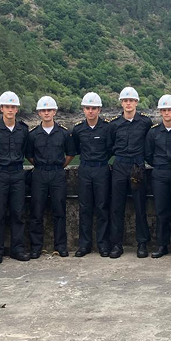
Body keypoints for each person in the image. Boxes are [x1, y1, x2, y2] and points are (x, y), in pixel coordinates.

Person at [107, 87, 153, 258]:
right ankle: (116, 245)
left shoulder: (145, 122)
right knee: (116, 207)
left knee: (140, 205)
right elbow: (110, 146)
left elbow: (149, 144)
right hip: (119, 165)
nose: (128, 103)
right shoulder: (114, 124)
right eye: (125, 100)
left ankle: (142, 244)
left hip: (137, 166)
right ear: (121, 103)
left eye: (131, 100)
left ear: (136, 102)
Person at [26, 96, 74, 259]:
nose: (46, 113)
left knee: (59, 210)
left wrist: (59, 166)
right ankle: (36, 247)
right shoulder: (32, 135)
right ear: (39, 113)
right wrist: (41, 165)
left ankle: (60, 246)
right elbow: (30, 155)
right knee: (36, 211)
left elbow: (70, 154)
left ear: (54, 112)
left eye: (49, 110)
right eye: (43, 110)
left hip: (57, 173)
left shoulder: (63, 133)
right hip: (39, 173)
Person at [0, 91, 30, 264]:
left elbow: (25, 151)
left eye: (13, 107)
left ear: (17, 109)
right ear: (1, 108)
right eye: (7, 107)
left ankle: (17, 249)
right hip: (0, 173)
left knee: (18, 212)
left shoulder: (23, 130)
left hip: (18, 173)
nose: (10, 110)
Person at [146, 94, 171, 259]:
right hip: (160, 174)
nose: (166, 113)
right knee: (161, 211)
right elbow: (148, 155)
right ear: (160, 112)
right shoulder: (153, 133)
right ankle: (161, 245)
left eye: (169, 109)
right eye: (163, 110)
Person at [72, 92, 113, 258]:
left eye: (94, 108)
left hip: (101, 169)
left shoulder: (107, 128)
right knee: (85, 208)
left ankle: (103, 244)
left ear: (99, 109)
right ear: (83, 109)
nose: (91, 111)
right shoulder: (78, 129)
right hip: (85, 170)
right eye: (88, 108)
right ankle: (84, 245)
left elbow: (110, 148)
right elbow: (75, 148)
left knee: (103, 207)